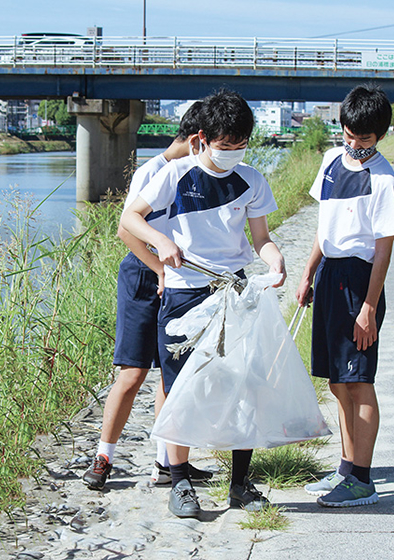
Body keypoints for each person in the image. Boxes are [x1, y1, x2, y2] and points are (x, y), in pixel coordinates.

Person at [121, 89, 287, 518]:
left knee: (245, 386)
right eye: (225, 146)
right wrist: (160, 241)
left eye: (241, 145)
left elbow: (261, 239)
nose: (233, 153)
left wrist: (276, 260)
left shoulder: (252, 180)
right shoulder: (175, 175)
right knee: (181, 391)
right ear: (201, 139)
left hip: (233, 293)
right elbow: (130, 218)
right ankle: (179, 484)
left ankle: (240, 484)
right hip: (183, 296)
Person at [82, 102, 214, 490]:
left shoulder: (196, 173)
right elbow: (127, 230)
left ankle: (165, 465)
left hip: (179, 278)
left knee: (172, 373)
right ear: (196, 140)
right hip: (145, 272)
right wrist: (159, 270)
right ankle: (104, 455)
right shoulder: (153, 170)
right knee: (133, 372)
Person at [296, 84, 394, 507]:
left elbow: (383, 249)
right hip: (328, 275)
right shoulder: (328, 161)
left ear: (381, 135)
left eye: (365, 138)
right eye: (349, 133)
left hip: (359, 281)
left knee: (359, 381)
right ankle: (345, 467)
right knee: (338, 382)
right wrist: (308, 274)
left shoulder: (383, 180)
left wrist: (369, 307)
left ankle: (362, 479)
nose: (355, 144)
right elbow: (323, 228)